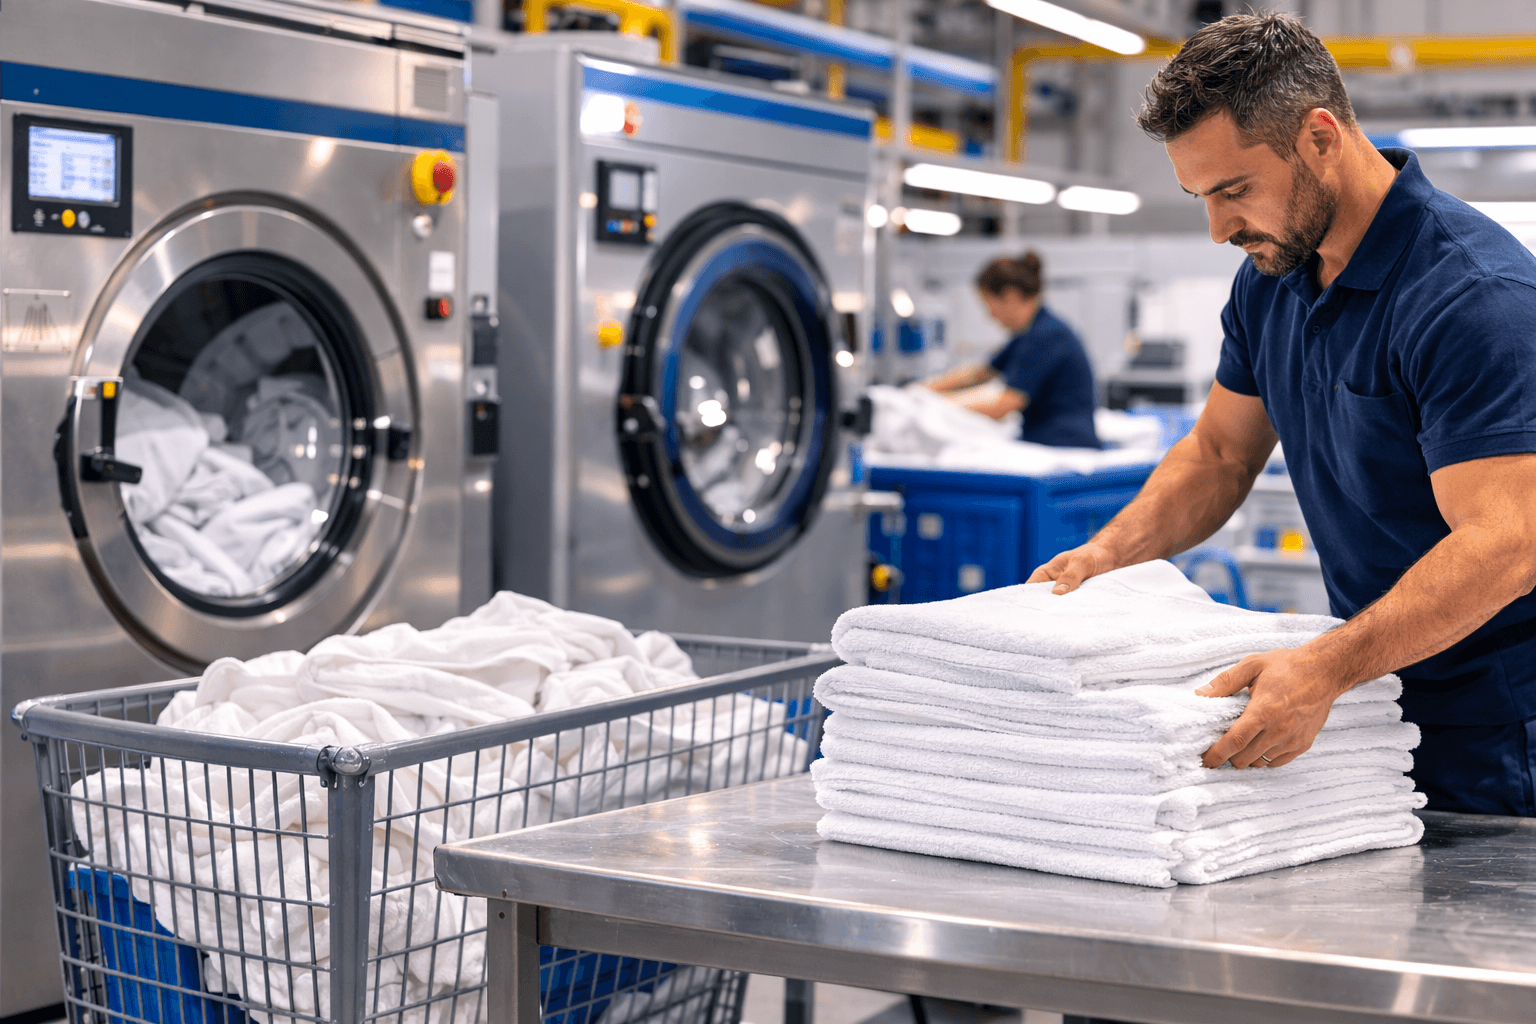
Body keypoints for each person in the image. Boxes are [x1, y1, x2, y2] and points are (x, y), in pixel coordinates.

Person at [1030, 12, 1536, 817]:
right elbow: (1221, 456)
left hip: (1501, 729)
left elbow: (1509, 543)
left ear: (1321, 139)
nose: (1218, 228)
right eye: (1201, 197)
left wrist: (1327, 666)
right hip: (1371, 697)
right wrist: (1103, 555)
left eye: (1233, 191)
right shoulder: (1272, 280)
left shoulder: (1475, 299)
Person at [925, 251, 1101, 448]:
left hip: (1064, 445)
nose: (989, 315)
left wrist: (935, 407)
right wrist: (924, 390)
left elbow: (1004, 404)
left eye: (988, 305)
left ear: (1010, 296)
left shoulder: (1047, 336)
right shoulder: (1030, 334)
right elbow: (981, 373)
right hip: (1048, 441)